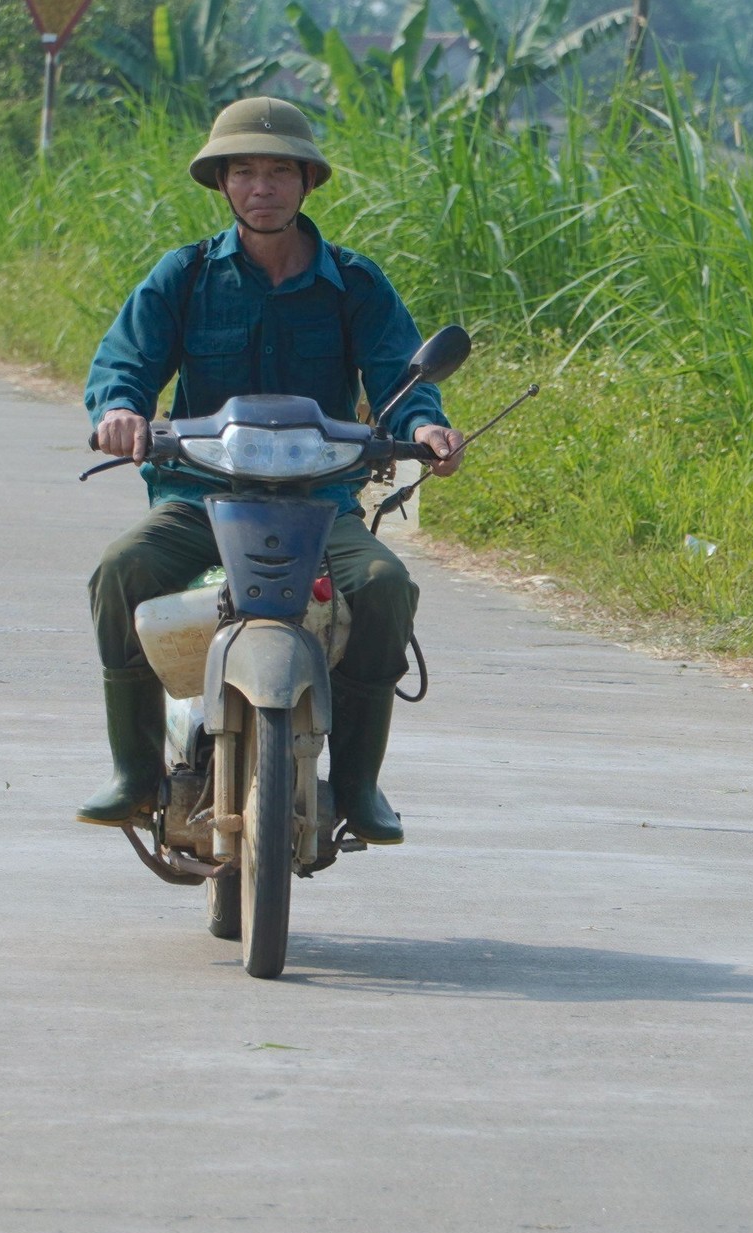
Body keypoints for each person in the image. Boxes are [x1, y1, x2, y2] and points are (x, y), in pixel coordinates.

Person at [79, 97, 465, 846]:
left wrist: (426, 427)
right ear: (223, 184)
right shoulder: (185, 275)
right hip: (201, 497)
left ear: (307, 183)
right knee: (119, 570)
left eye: (279, 171)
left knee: (387, 587)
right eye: (246, 172)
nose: (263, 187)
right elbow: (124, 361)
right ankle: (134, 772)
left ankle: (357, 780)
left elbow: (402, 378)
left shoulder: (355, 283)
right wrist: (121, 411)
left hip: (319, 506)